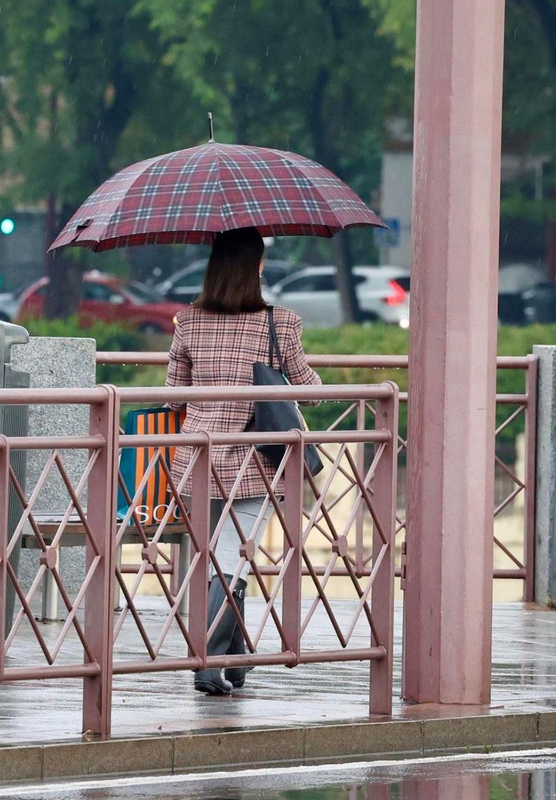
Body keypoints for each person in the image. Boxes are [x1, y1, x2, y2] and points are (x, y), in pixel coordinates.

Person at [165, 226, 321, 696]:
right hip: (255, 457)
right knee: (233, 557)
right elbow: (309, 390)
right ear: (257, 267)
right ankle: (207, 661)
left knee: (219, 555)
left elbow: (174, 395)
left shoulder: (187, 320)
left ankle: (235, 658)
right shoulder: (280, 322)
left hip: (196, 456)